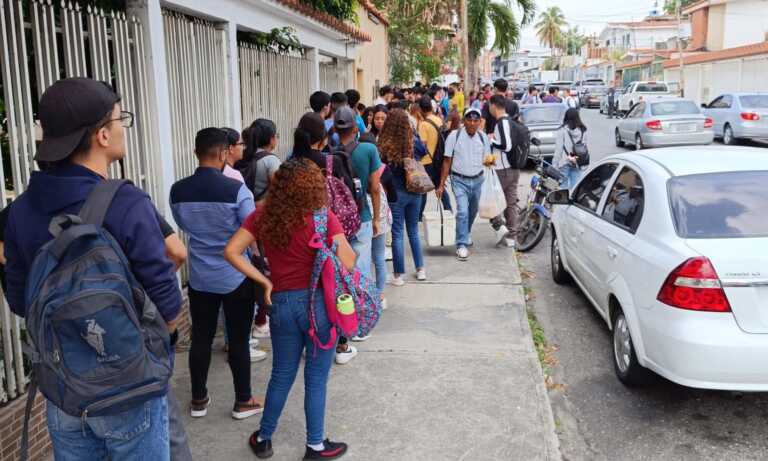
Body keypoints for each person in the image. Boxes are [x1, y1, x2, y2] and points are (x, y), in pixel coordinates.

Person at [4, 77, 180, 460]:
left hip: (64, 391)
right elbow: (166, 300)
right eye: (121, 120)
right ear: (102, 135)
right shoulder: (126, 202)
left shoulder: (20, 211)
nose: (122, 129)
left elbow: (20, 299)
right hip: (130, 389)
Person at [226, 159, 355, 461]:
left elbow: (231, 251)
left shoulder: (262, 217)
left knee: (281, 373)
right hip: (320, 305)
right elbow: (348, 262)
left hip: (281, 304)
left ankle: (264, 437)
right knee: (316, 377)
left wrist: (264, 280)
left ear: (279, 185)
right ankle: (315, 446)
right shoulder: (324, 219)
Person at [171, 128, 270, 420]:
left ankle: (199, 399)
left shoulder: (177, 190)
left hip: (200, 277)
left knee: (201, 337)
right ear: (224, 153)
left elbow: (182, 224)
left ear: (196, 153)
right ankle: (243, 400)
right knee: (238, 340)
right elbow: (250, 232)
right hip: (235, 275)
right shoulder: (237, 190)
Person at [379, 109, 426, 285]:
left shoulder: (384, 144)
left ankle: (398, 275)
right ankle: (420, 269)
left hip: (396, 192)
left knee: (397, 233)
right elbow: (424, 151)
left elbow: (382, 170)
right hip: (415, 190)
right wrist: (413, 132)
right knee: (413, 230)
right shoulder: (412, 141)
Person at [435, 107, 490, 260]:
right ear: (464, 121)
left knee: (472, 212)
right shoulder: (455, 135)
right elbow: (447, 161)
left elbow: (487, 159)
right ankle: (461, 245)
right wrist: (441, 184)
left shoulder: (483, 137)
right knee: (463, 212)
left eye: (475, 120)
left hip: (478, 180)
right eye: (469, 120)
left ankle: (466, 232)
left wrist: (490, 164)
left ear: (479, 122)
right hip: (459, 180)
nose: (472, 123)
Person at [488, 94, 522, 248]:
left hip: (503, 170)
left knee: (491, 201)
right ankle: (512, 237)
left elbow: (506, 146)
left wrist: (491, 141)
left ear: (494, 105)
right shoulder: (512, 122)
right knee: (511, 204)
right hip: (514, 169)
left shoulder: (502, 123)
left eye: (490, 105)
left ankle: (499, 227)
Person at [417, 96, 452, 218]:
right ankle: (449, 210)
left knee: (423, 191)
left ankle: (419, 215)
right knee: (439, 187)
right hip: (439, 160)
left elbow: (422, 146)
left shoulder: (423, 125)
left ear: (420, 109)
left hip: (427, 161)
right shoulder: (439, 120)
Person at [238, 118, 281, 203]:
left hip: (243, 205)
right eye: (276, 135)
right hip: (262, 210)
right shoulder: (271, 161)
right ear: (271, 139)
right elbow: (280, 191)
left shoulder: (241, 155)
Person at [554, 108, 588, 190]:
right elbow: (584, 147)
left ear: (566, 117)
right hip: (577, 162)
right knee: (575, 189)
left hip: (564, 162)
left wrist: (555, 165)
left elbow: (558, 150)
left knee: (562, 189)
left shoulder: (562, 130)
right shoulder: (583, 130)